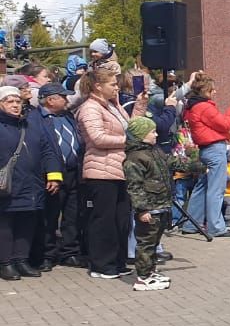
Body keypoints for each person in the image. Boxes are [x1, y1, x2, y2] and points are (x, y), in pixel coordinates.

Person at [76, 68, 134, 280]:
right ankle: (101, 265)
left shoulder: (113, 106)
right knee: (104, 220)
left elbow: (130, 127)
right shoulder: (90, 108)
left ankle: (117, 262)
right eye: (112, 84)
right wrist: (129, 142)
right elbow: (97, 138)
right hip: (100, 172)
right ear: (98, 86)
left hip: (119, 169)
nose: (117, 87)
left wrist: (142, 103)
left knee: (121, 219)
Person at [0, 86, 62, 280]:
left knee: (27, 222)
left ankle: (21, 260)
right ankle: (6, 263)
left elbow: (48, 150)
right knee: (7, 224)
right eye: (9, 101)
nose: (15, 105)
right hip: (7, 185)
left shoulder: (31, 124)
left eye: (18, 101)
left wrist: (53, 175)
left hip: (32, 183)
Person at [181, 72, 230, 238]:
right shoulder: (204, 107)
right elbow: (225, 124)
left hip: (206, 149)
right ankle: (216, 227)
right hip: (215, 149)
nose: (214, 92)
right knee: (216, 189)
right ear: (204, 91)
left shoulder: (192, 106)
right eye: (212, 90)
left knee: (203, 186)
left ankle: (191, 223)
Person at [36, 83, 85, 269]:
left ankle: (69, 252)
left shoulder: (67, 115)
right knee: (50, 215)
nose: (67, 100)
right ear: (50, 100)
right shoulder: (37, 118)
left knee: (72, 215)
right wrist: (51, 173)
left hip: (74, 172)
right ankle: (47, 255)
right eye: (62, 97)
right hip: (52, 174)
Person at [122, 116, 173, 291]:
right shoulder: (135, 158)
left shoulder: (154, 151)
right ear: (141, 134)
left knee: (155, 240)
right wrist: (142, 209)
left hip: (161, 205)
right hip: (149, 208)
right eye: (152, 132)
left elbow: (170, 162)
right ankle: (143, 277)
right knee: (146, 243)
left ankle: (150, 271)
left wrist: (195, 165)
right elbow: (134, 187)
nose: (156, 134)